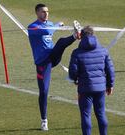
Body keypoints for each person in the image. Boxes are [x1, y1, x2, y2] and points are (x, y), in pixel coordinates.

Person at [27, 3, 82, 131]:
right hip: (43, 63)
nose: (46, 14)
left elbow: (50, 28)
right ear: (37, 13)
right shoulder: (32, 27)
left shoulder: (49, 23)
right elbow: (47, 30)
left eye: (47, 11)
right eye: (42, 12)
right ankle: (44, 121)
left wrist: (59, 25)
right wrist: (57, 25)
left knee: (61, 42)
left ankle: (76, 36)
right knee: (44, 92)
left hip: (53, 56)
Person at [69, 26, 115, 135]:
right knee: (101, 113)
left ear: (82, 36)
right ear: (93, 34)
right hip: (100, 88)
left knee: (86, 115)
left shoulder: (76, 52)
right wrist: (110, 85)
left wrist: (75, 79)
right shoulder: (103, 51)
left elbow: (72, 72)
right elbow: (110, 70)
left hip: (84, 88)